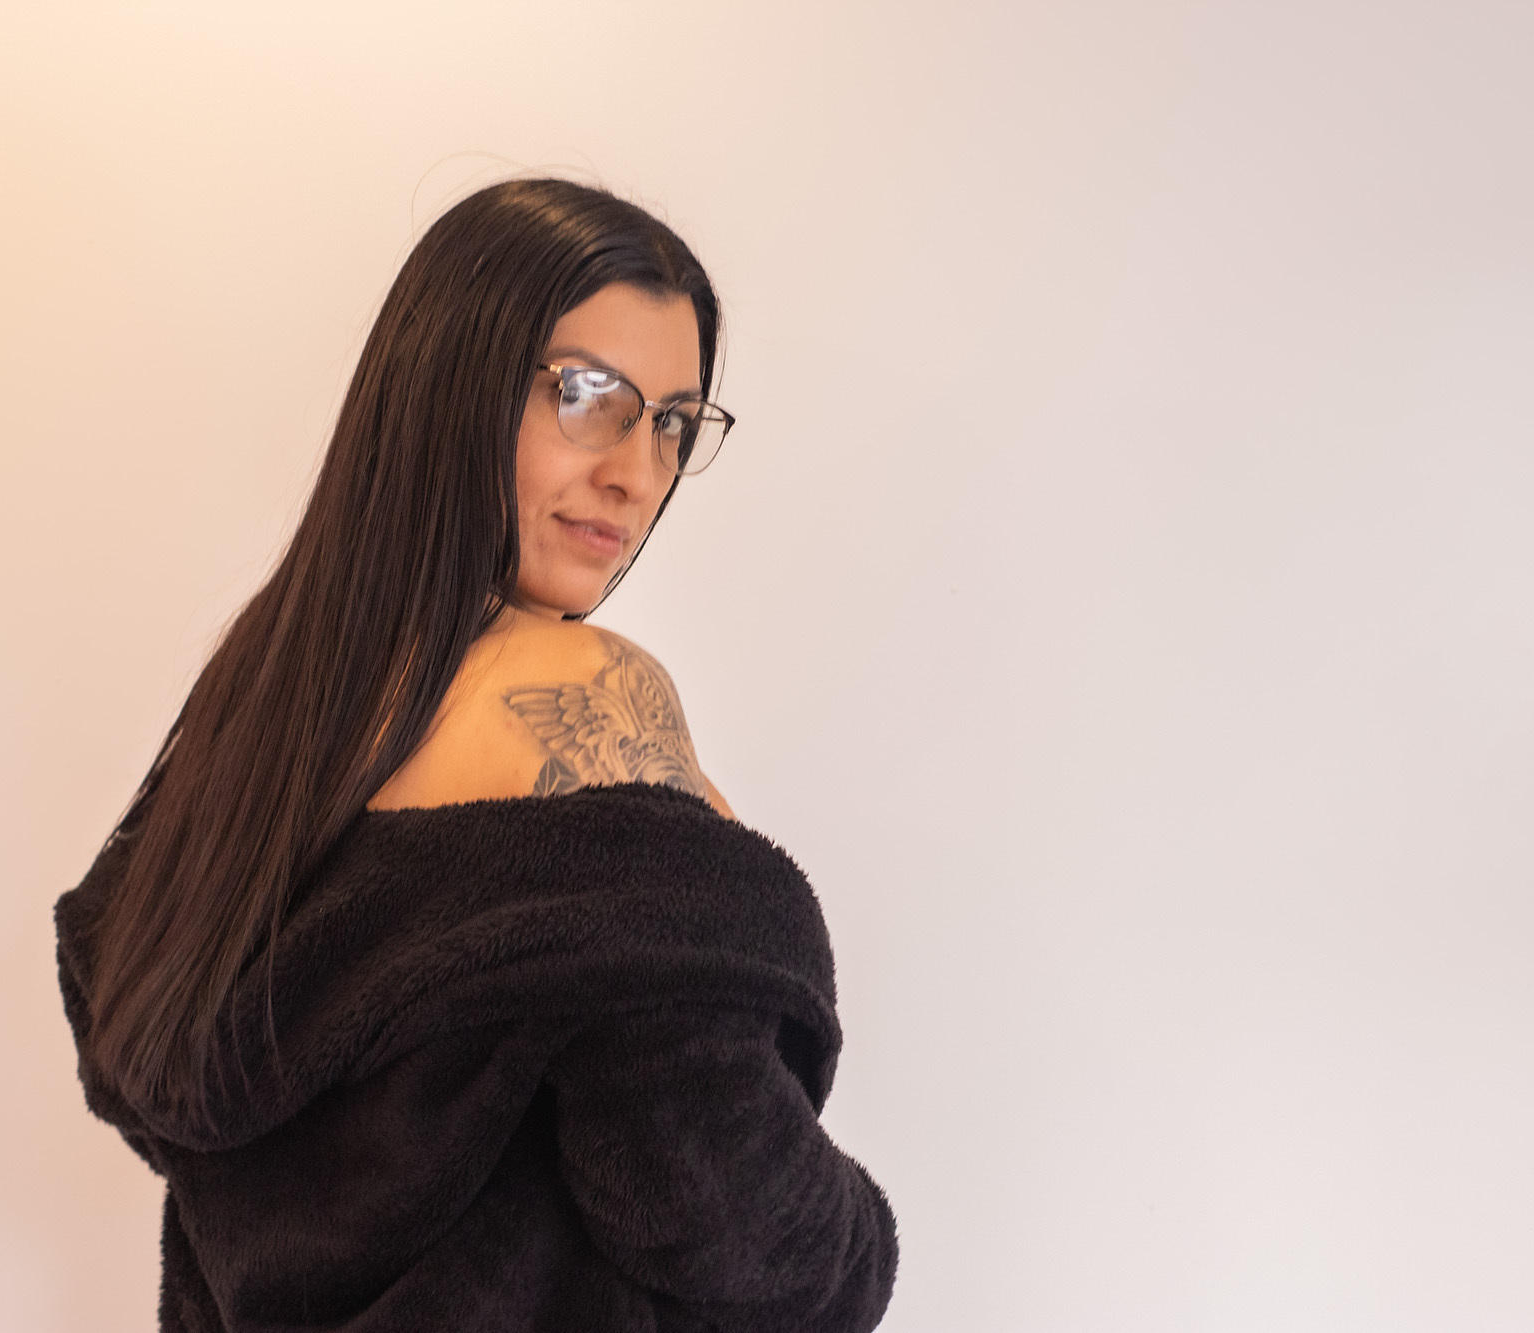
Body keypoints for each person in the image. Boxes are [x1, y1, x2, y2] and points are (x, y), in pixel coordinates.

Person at [53, 177, 899, 1331]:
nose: (635, 472)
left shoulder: (261, 704)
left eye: (671, 421)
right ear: (452, 384)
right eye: (586, 395)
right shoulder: (588, 692)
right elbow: (720, 1200)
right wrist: (854, 1249)